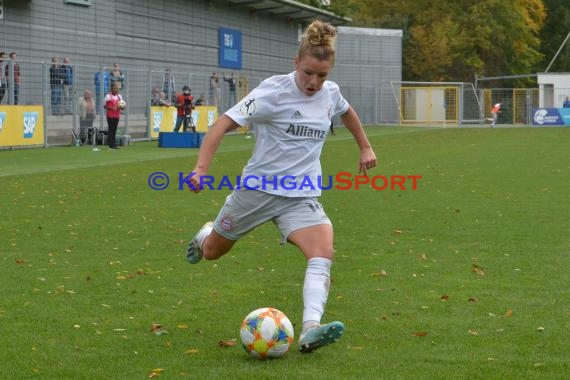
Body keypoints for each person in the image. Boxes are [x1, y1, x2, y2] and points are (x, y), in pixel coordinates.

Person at [185, 20, 377, 353]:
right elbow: (220, 126)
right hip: (256, 192)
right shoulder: (271, 92)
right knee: (213, 253)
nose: (314, 82)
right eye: (308, 73)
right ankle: (205, 235)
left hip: (300, 196)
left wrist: (365, 146)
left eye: (322, 75)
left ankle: (311, 328)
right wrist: (201, 169)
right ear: (295, 63)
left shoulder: (330, 93)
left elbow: (347, 113)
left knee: (322, 251)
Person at [104, 83, 123, 149]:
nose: (116, 90)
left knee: (114, 130)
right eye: (114, 88)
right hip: (110, 115)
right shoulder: (108, 96)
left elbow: (121, 105)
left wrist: (122, 107)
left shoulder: (119, 96)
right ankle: (111, 145)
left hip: (117, 115)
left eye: (117, 88)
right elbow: (105, 106)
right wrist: (111, 108)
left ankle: (114, 144)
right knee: (111, 130)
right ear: (111, 89)